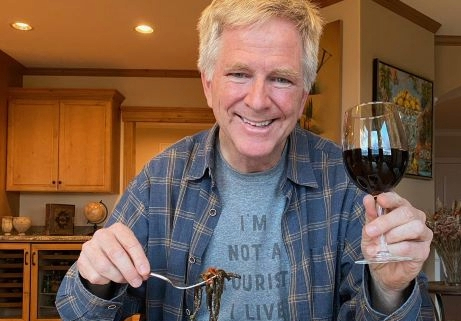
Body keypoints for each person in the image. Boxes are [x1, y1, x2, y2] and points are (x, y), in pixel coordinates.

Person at [56, 0, 434, 320]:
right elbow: (77, 310)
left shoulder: (345, 181)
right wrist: (97, 279)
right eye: (239, 74)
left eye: (281, 79)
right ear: (208, 84)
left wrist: (388, 290)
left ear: (304, 96)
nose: (257, 100)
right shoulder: (161, 178)